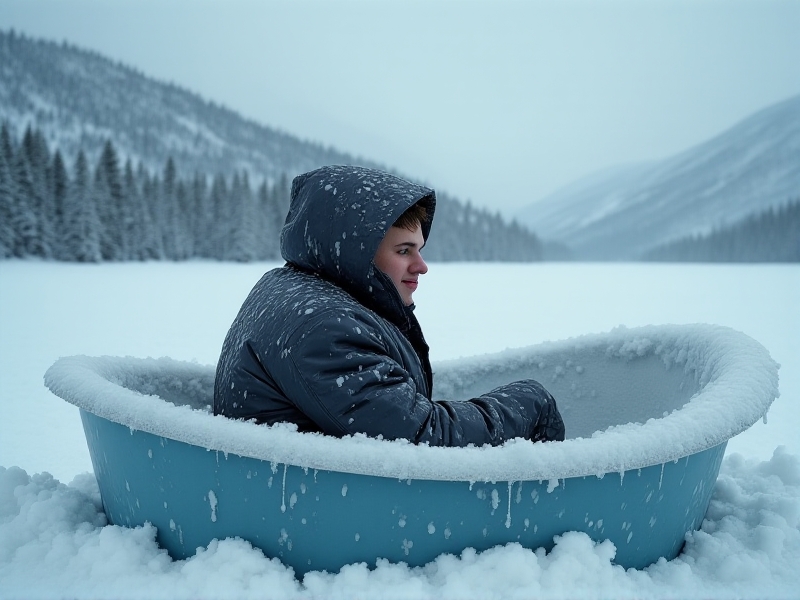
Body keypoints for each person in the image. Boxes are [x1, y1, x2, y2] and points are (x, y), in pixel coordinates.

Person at [213, 165, 565, 446]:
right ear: (356, 254)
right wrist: (529, 401)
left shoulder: (297, 291)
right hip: (330, 517)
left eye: (420, 248)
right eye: (403, 251)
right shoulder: (324, 329)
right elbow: (423, 438)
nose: (421, 265)